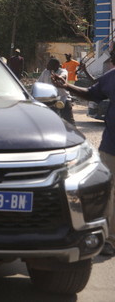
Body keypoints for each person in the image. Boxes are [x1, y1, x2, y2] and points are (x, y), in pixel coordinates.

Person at [51, 57, 115, 256]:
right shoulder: (111, 77)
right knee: (109, 194)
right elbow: (92, 94)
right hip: (111, 146)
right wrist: (67, 86)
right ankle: (110, 240)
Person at [37, 57, 74, 124]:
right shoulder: (45, 72)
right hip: (50, 100)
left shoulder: (63, 71)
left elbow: (63, 76)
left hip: (63, 99)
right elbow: (39, 83)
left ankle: (72, 133)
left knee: (69, 121)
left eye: (49, 64)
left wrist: (58, 77)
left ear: (55, 65)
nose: (47, 65)